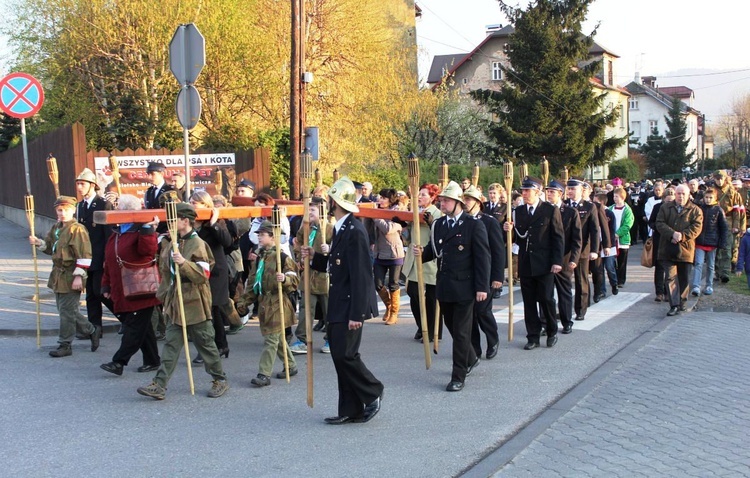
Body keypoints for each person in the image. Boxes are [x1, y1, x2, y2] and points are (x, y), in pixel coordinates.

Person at [301, 176, 384, 424]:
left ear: (335, 203)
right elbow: (338, 264)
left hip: (350, 303)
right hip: (339, 299)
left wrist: (356, 314)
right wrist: (314, 256)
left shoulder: (354, 231)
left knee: (345, 355)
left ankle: (373, 391)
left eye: (329, 201)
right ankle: (351, 409)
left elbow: (360, 275)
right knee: (340, 354)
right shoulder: (341, 227)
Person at [137, 203, 229, 400]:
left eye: (173, 220)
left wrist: (184, 264)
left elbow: (204, 274)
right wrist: (163, 295)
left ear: (185, 221)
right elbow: (164, 271)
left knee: (205, 343)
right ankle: (159, 385)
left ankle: (219, 379)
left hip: (195, 300)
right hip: (176, 301)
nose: (169, 224)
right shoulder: (172, 243)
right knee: (171, 343)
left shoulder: (198, 244)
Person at [415, 181, 490, 391]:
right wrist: (422, 253)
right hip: (445, 285)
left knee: (462, 333)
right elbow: (435, 250)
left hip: (465, 286)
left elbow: (483, 258)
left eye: (446, 201)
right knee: (452, 327)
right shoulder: (439, 224)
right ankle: (472, 357)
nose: (443, 204)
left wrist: (482, 287)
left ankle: (458, 376)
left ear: (457, 202)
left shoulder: (473, 225)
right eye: (441, 201)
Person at [29, 196, 100, 357]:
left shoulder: (77, 229)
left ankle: (65, 344)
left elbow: (85, 255)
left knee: (67, 311)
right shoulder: (56, 227)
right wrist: (39, 243)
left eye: (66, 210)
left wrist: (78, 277)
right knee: (65, 310)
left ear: (73, 210)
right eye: (60, 210)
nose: (62, 213)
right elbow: (50, 248)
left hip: (72, 274)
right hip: (58, 275)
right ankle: (92, 330)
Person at [99, 195, 161, 375]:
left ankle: (118, 362)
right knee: (142, 328)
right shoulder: (117, 233)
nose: (116, 210)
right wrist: (106, 285)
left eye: (119, 208)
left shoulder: (141, 230)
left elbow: (148, 252)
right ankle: (152, 360)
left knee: (134, 329)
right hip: (123, 289)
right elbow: (109, 262)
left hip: (141, 287)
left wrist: (148, 230)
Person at [236, 221, 299, 386]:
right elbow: (252, 283)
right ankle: (291, 365)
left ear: (273, 237)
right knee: (277, 338)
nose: (259, 237)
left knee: (271, 339)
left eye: (262, 234)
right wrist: (243, 302)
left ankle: (264, 374)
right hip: (264, 302)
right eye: (258, 234)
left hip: (278, 302)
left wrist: (285, 279)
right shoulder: (259, 259)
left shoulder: (283, 258)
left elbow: (295, 280)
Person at [504, 177, 564, 350]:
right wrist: (508, 231)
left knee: (546, 299)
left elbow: (558, 238)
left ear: (537, 192)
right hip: (526, 263)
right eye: (523, 191)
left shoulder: (550, 210)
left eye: (527, 191)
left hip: (545, 263)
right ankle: (533, 336)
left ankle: (551, 330)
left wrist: (557, 261)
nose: (524, 194)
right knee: (529, 302)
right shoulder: (518, 211)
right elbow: (516, 238)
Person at [189, 190, 233, 362]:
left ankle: (213, 347)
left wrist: (214, 223)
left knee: (210, 310)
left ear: (205, 205)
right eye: (191, 201)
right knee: (209, 311)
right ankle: (220, 345)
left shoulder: (214, 224)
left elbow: (227, 242)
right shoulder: (191, 225)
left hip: (215, 273)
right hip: (199, 271)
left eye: (195, 202)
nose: (192, 204)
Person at [463, 186, 505, 359]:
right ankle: (475, 348)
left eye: (469, 200)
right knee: (470, 315)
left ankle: (492, 339)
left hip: (485, 274)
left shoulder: (489, 221)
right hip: (466, 275)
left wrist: (497, 277)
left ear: (478, 202)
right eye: (464, 200)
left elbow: (498, 251)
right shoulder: (463, 220)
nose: (465, 203)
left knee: (482, 311)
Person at [290, 197, 333, 354]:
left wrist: (328, 248)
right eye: (307, 210)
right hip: (308, 276)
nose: (309, 213)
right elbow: (297, 243)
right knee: (305, 308)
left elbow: (336, 250)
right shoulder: (305, 229)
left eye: (312, 210)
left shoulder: (330, 228)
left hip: (324, 277)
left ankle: (331, 339)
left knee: (328, 309)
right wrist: (299, 255)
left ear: (322, 211)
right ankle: (302, 339)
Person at [74, 168, 114, 336]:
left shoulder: (103, 204)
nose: (79, 187)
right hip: (86, 257)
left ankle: (127, 319)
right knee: (91, 294)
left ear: (92, 185)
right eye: (77, 184)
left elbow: (109, 235)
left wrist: (107, 258)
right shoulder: (79, 206)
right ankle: (95, 328)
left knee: (102, 292)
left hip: (100, 256)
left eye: (82, 184)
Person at [402, 184, 442, 342]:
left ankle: (433, 330)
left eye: (424, 195)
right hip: (414, 257)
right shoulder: (415, 212)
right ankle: (421, 325)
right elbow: (409, 235)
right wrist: (403, 224)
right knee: (413, 293)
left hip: (429, 258)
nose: (419, 197)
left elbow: (440, 236)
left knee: (432, 298)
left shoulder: (437, 214)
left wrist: (432, 223)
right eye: (419, 194)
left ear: (432, 198)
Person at [655, 184, 703, 317]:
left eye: (683, 194)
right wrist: (672, 234)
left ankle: (682, 301)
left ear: (688, 195)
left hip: (685, 250)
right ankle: (674, 304)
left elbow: (696, 227)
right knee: (670, 277)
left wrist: (682, 236)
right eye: (678, 193)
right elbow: (659, 223)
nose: (680, 196)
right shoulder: (665, 207)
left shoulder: (695, 210)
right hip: (667, 248)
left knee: (683, 277)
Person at [545, 180, 581, 335]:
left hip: (564, 258)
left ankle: (566, 321)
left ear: (560, 193)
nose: (549, 194)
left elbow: (576, 239)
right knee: (545, 294)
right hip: (546, 258)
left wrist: (574, 258)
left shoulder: (571, 212)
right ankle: (546, 322)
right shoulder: (543, 210)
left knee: (564, 291)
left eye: (552, 192)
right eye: (548, 191)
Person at [565, 178, 600, 321]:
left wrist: (594, 250)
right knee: (564, 281)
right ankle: (565, 310)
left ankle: (580, 310)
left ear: (581, 190)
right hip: (566, 250)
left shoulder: (589, 207)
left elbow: (594, 230)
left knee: (581, 281)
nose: (570, 192)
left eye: (573, 189)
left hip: (582, 250)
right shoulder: (563, 206)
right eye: (569, 189)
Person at [373, 188, 405, 325]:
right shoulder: (377, 212)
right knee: (378, 284)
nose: (380, 200)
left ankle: (394, 313)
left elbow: (388, 229)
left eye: (384, 198)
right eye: (380, 197)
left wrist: (375, 216)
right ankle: (388, 306)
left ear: (390, 200)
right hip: (380, 253)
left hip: (394, 253)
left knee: (393, 283)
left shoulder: (398, 212)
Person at [691, 188, 728, 296]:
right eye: (706, 197)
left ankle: (709, 285)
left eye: (710, 198)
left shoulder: (718, 210)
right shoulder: (699, 209)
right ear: (703, 198)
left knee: (711, 265)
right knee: (698, 263)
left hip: (712, 242)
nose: (708, 200)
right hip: (700, 241)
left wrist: (722, 242)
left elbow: (724, 227)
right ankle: (696, 286)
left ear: (715, 198)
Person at [713, 170, 746, 281]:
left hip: (729, 222)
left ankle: (725, 272)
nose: (719, 181)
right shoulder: (711, 191)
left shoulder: (733, 193)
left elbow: (738, 211)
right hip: (715, 222)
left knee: (727, 249)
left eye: (721, 178)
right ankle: (717, 272)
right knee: (717, 249)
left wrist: (737, 226)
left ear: (726, 179)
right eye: (717, 179)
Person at [609, 187, 635, 288]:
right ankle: (614, 278)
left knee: (622, 261)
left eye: (617, 197)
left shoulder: (627, 210)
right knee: (612, 261)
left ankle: (621, 280)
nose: (615, 198)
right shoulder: (611, 208)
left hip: (622, 240)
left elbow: (627, 224)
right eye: (614, 196)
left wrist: (618, 234)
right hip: (612, 239)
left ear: (622, 197)